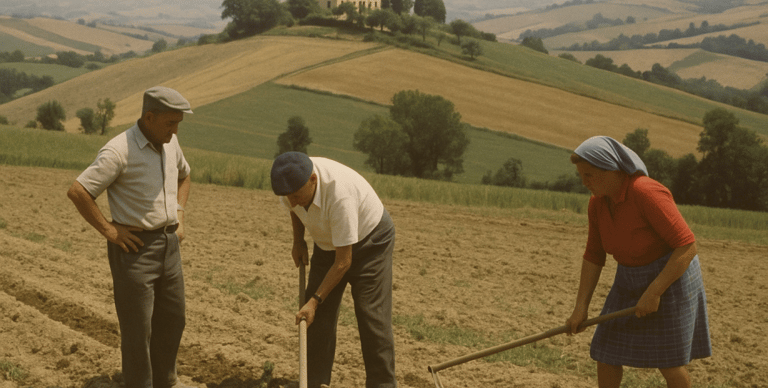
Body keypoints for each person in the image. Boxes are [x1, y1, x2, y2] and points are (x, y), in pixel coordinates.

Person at [67, 86, 194, 388]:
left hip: (169, 245)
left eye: (178, 124)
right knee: (138, 332)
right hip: (135, 249)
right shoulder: (118, 151)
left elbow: (185, 174)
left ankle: (165, 381)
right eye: (170, 123)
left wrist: (179, 211)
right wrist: (110, 230)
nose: (175, 131)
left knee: (174, 320)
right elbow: (78, 191)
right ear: (149, 117)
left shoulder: (171, 143)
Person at [565, 136, 711, 388]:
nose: (583, 182)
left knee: (669, 361)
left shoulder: (646, 192)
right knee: (606, 351)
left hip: (670, 278)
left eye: (588, 175)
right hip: (629, 278)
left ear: (610, 170)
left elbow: (687, 245)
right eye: (581, 175)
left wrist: (654, 292)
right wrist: (581, 307)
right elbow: (593, 255)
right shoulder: (597, 204)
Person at [270, 152, 397, 388]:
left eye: (297, 196)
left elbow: (343, 262)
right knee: (315, 319)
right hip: (328, 243)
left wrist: (315, 300)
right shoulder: (290, 184)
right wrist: (298, 241)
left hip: (371, 242)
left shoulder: (340, 194)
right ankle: (315, 382)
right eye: (288, 197)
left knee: (372, 318)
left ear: (313, 180)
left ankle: (383, 385)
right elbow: (294, 209)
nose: (293, 201)